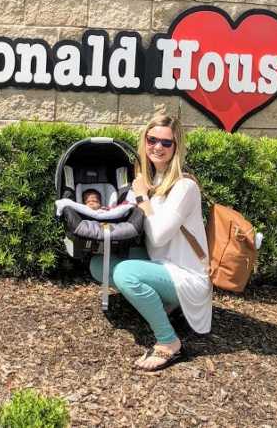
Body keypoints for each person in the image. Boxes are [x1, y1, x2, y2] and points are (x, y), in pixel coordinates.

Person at [89, 107, 212, 371]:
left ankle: (169, 342)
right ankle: (165, 302)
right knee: (99, 265)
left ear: (176, 147)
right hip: (162, 264)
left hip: (186, 275)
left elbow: (156, 237)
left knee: (124, 274)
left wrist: (143, 197)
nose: (157, 147)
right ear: (144, 141)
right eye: (151, 140)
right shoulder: (151, 178)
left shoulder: (184, 186)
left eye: (166, 142)